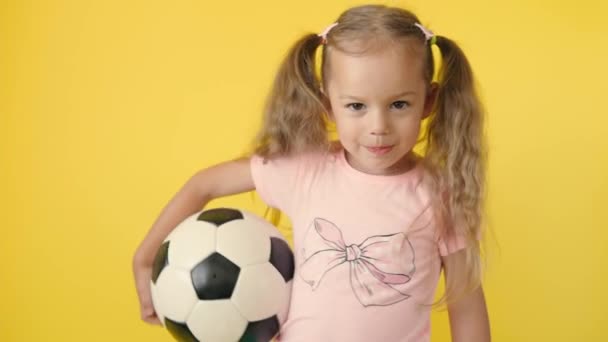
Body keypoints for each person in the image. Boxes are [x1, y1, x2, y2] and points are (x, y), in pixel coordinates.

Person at [133, 4, 491, 341]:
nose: (378, 126)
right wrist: (145, 257)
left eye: (399, 104)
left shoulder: (441, 193)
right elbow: (204, 184)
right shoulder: (307, 172)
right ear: (328, 105)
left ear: (428, 102)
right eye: (356, 106)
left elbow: (467, 304)